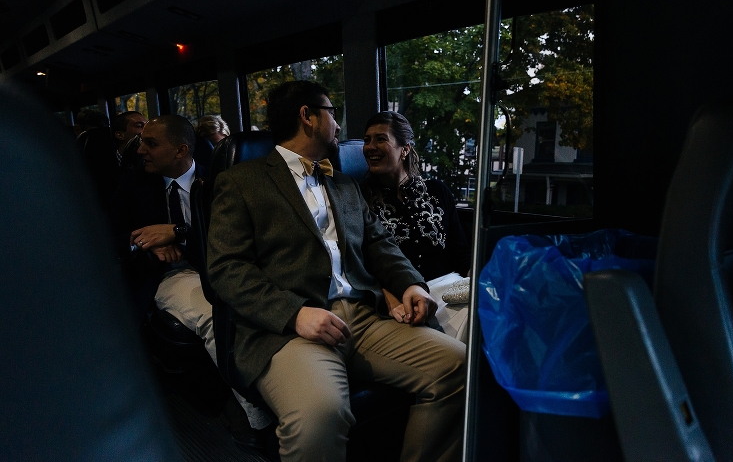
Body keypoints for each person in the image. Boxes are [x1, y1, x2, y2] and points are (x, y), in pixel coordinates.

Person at [207, 80, 466, 462]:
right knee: (320, 415)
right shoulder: (242, 182)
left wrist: (410, 284)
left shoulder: (344, 184)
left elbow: (380, 245)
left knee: (459, 367)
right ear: (307, 117)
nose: (340, 126)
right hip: (290, 329)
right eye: (331, 113)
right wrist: (294, 314)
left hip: (364, 318)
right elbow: (226, 268)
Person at [108, 114, 271, 447]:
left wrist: (178, 231)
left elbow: (237, 233)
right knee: (218, 316)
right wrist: (145, 243)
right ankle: (260, 419)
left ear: (181, 149)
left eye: (151, 143)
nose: (141, 151)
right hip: (169, 274)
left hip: (222, 265)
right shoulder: (132, 184)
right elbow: (106, 236)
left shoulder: (220, 179)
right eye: (141, 142)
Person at [361, 111, 472, 342]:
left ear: (405, 149)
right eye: (367, 140)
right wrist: (388, 297)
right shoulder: (359, 198)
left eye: (381, 139)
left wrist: (486, 279)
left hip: (453, 286)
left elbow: (461, 255)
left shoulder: (438, 191)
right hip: (408, 296)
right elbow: (359, 262)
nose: (370, 147)